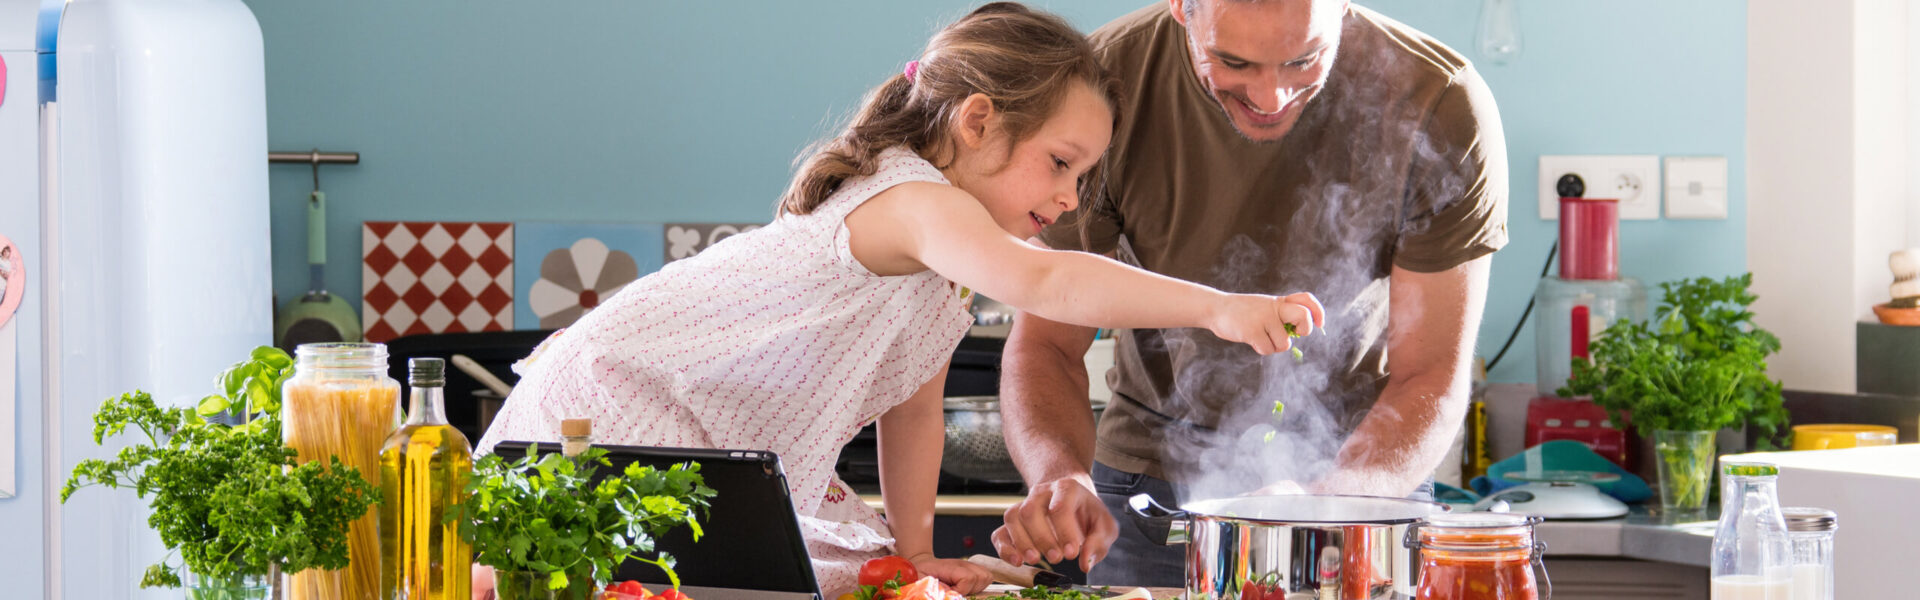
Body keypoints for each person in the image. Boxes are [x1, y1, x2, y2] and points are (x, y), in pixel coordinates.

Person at [474, 3, 1326, 596]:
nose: (1071, 198)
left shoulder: (939, 270)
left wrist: (916, 551)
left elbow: (911, 416)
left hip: (699, 440)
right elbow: (1047, 281)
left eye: (1085, 175)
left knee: (852, 571)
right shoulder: (915, 200)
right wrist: (1223, 308)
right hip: (622, 402)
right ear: (979, 121)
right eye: (1062, 163)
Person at [990, 0, 1508, 586]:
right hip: (1150, 492)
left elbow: (1432, 374)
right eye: (1232, 61)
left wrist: (1326, 504)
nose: (1271, 97)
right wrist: (1058, 475)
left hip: (1361, 488)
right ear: (1183, 8)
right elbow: (1048, 344)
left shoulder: (1439, 100)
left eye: (1304, 60)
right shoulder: (1100, 87)